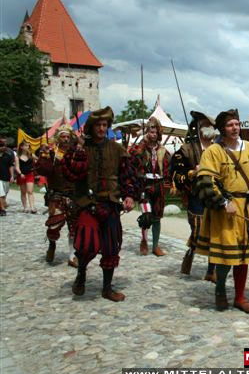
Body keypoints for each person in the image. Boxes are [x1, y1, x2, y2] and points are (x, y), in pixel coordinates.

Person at [62, 106, 142, 302]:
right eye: (98, 124)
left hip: (111, 203)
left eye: (104, 125)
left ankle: (107, 288)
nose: (101, 128)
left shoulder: (117, 149)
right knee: (86, 245)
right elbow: (69, 174)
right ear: (91, 127)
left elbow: (127, 176)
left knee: (110, 248)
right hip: (87, 203)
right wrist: (77, 153)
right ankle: (81, 274)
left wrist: (130, 195)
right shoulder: (81, 148)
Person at [196, 109, 249, 313]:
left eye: (237, 124)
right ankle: (220, 290)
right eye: (230, 125)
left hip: (247, 208)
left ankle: (239, 297)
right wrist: (222, 202)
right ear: (222, 129)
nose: (235, 128)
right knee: (226, 256)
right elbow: (206, 180)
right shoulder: (213, 151)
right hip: (226, 211)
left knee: (244, 255)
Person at [171, 111, 217, 277]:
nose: (208, 128)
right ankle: (191, 250)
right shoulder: (186, 149)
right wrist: (192, 172)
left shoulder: (219, 149)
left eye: (210, 125)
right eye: (204, 124)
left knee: (215, 233)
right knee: (198, 231)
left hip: (215, 196)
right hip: (195, 196)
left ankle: (211, 271)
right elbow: (176, 172)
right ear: (198, 128)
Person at [36, 125, 79, 266]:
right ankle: (52, 245)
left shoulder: (76, 153)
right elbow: (43, 170)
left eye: (67, 137)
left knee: (74, 227)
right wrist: (44, 156)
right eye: (63, 136)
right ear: (58, 138)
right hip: (56, 194)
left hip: (73, 195)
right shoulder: (53, 153)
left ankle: (72, 256)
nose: (65, 139)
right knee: (54, 226)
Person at [130, 117, 170, 257]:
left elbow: (168, 168)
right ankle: (144, 241)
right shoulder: (141, 148)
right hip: (145, 185)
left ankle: (155, 245)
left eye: (155, 132)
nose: (153, 134)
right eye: (150, 132)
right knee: (146, 216)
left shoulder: (163, 150)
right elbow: (133, 159)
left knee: (157, 217)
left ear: (158, 134)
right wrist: (141, 144)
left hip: (158, 185)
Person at [15, 140, 37, 213]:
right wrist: (20, 173)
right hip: (22, 175)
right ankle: (25, 207)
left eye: (28, 145)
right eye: (26, 145)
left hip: (30, 174)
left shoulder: (31, 155)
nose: (28, 147)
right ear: (21, 147)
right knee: (23, 192)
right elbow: (17, 167)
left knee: (30, 191)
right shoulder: (17, 156)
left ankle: (32, 207)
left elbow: (38, 160)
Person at [0, 138, 15, 216]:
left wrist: (12, 176)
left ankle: (1, 206)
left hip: (6, 177)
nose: (2, 147)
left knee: (4, 193)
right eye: (0, 146)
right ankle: (2, 209)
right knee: (1, 193)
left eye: (3, 146)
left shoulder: (9, 154)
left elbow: (11, 166)